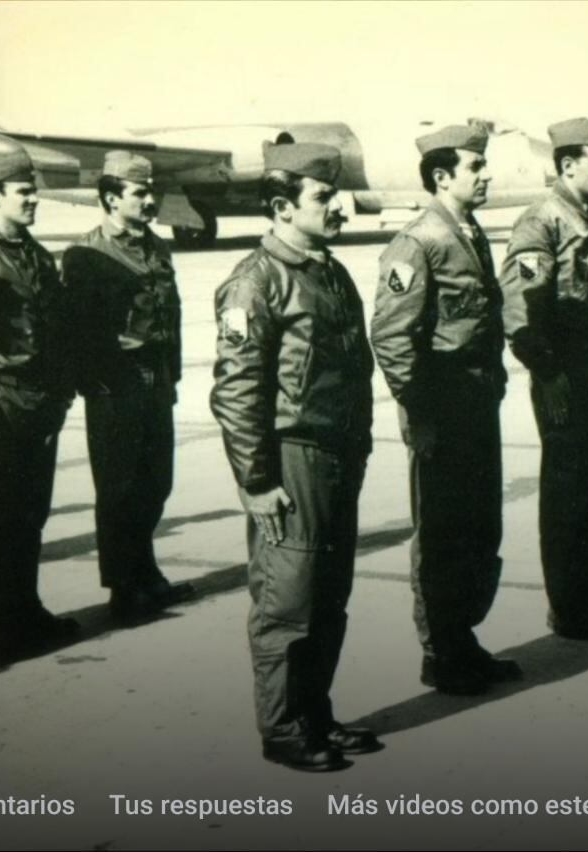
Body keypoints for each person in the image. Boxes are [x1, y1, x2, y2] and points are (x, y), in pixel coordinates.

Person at [211, 141, 380, 772]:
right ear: (283, 208)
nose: (338, 208)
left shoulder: (327, 270)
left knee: (328, 596)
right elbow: (236, 389)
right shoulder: (254, 283)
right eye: (324, 198)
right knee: (289, 600)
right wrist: (256, 482)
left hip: (338, 453)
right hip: (292, 457)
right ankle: (283, 730)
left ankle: (315, 714)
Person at [371, 125, 520, 695]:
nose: (486, 175)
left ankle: (462, 640)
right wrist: (421, 413)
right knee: (442, 533)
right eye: (475, 166)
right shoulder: (420, 241)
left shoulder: (468, 231)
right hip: (443, 409)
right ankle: (441, 652)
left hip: (475, 403)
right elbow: (391, 335)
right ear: (442, 176)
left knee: (478, 527)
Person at [499, 117, 588, 640]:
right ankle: (566, 605)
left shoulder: (584, 215)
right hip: (566, 378)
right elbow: (522, 310)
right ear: (568, 165)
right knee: (567, 492)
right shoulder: (542, 222)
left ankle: (584, 593)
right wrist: (547, 373)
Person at [62, 151, 194, 620]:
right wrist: (99, 385)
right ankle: (122, 587)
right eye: (139, 193)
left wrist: (171, 377)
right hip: (116, 387)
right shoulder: (87, 254)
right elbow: (78, 330)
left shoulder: (156, 247)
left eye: (149, 191)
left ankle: (146, 572)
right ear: (111, 197)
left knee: (156, 483)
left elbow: (169, 316)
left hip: (156, 382)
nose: (149, 200)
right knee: (118, 490)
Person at [0, 133, 80, 657]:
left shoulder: (36, 256)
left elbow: (58, 332)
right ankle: (7, 622)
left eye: (33, 190)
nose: (33, 198)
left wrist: (61, 394)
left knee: (29, 516)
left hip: (38, 410)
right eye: (23, 190)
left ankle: (24, 612)